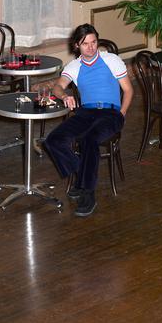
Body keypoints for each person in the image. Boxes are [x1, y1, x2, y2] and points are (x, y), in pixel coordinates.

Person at [43, 24, 133, 217]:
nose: (91, 47)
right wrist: (64, 96)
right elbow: (57, 87)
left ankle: (88, 193)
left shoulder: (111, 60)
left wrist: (122, 114)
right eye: (85, 44)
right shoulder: (74, 66)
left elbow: (128, 90)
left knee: (89, 140)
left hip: (110, 113)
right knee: (53, 141)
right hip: (85, 113)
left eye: (94, 42)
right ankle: (83, 177)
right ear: (77, 46)